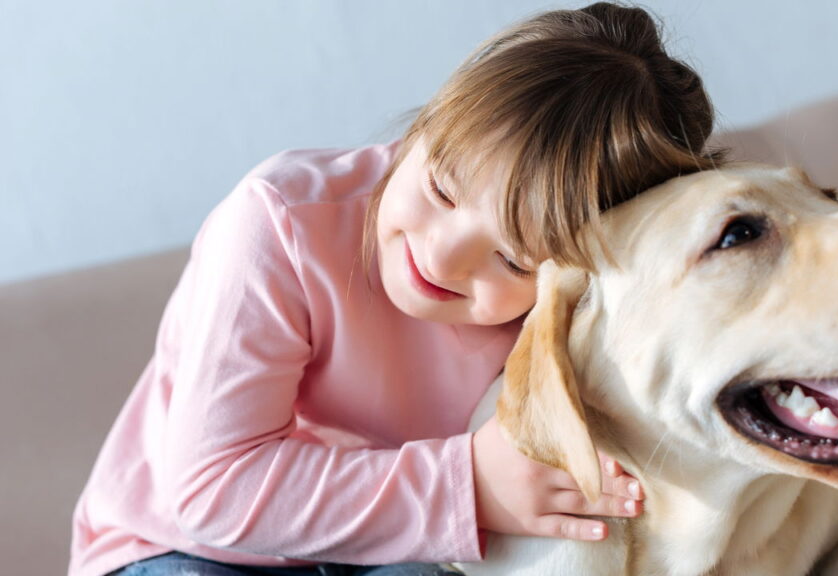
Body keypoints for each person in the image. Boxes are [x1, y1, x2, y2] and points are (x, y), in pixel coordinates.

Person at [69, 3, 720, 575]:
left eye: (511, 260)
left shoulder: (571, 303)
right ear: (426, 125)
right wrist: (469, 485)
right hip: (176, 547)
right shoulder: (280, 224)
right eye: (441, 187)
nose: (440, 254)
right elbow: (214, 491)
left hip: (389, 547)